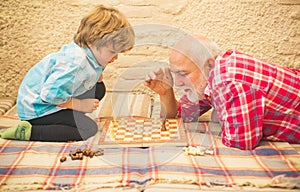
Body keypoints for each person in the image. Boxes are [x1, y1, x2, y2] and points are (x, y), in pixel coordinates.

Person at [0, 4, 135, 142]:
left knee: (99, 89)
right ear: (91, 42)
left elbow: (88, 76)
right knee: (88, 129)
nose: (116, 57)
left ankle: (67, 115)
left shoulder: (92, 55)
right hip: (37, 109)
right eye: (113, 52)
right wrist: (80, 105)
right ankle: (30, 131)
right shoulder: (75, 64)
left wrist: (96, 74)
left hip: (50, 99)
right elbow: (49, 95)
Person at [145, 35, 300, 150]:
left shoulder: (230, 82)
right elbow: (183, 115)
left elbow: (240, 143)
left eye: (183, 74)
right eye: (175, 74)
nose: (177, 82)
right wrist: (166, 92)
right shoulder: (210, 76)